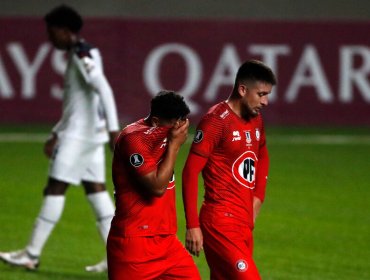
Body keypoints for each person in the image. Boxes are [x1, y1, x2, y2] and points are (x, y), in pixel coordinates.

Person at [0, 5, 120, 273]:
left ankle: (31, 254)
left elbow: (104, 90)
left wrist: (114, 131)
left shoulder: (80, 54)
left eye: (51, 32)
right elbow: (80, 103)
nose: (49, 37)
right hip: (90, 135)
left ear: (65, 32)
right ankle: (119, 257)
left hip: (79, 138)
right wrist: (57, 131)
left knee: (54, 189)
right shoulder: (88, 51)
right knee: (96, 193)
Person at [182, 60, 276, 279]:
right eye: (261, 94)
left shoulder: (255, 119)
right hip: (220, 222)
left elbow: (262, 153)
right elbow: (190, 172)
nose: (266, 101)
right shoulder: (215, 121)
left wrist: (258, 198)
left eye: (267, 94)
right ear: (242, 90)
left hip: (244, 222)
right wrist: (192, 225)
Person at [107, 90, 201, 280]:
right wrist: (174, 146)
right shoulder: (133, 139)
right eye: (173, 124)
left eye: (182, 122)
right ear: (157, 122)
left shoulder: (165, 132)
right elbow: (157, 187)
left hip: (167, 242)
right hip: (134, 245)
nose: (180, 129)